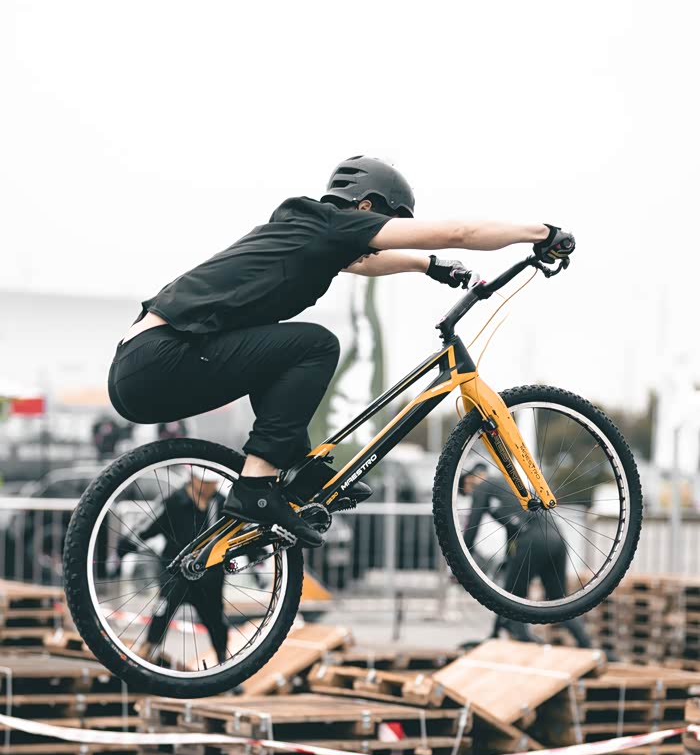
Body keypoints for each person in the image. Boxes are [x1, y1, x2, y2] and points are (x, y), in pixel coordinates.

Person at [108, 155, 574, 548]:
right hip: (161, 358)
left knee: (278, 357)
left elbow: (364, 262)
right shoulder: (328, 224)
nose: (384, 233)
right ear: (365, 208)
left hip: (145, 365)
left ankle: (296, 474)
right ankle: (255, 487)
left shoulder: (309, 231)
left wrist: (428, 265)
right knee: (315, 345)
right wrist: (541, 232)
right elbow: (461, 231)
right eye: (387, 224)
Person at [459, 464, 592, 647]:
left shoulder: (482, 486)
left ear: (468, 480)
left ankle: (522, 642)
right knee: (558, 601)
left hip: (532, 539)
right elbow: (513, 527)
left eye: (465, 492)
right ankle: (587, 645)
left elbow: (472, 528)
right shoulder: (504, 482)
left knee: (513, 599)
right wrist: (509, 557)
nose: (470, 495)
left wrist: (460, 558)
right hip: (556, 537)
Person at [114, 468, 230, 664]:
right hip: (175, 573)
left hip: (210, 576)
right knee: (161, 614)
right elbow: (145, 527)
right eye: (206, 482)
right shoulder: (173, 502)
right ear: (192, 478)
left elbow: (239, 533)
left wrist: (257, 560)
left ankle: (224, 664)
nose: (210, 487)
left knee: (217, 622)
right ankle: (147, 658)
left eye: (213, 483)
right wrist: (123, 549)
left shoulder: (221, 503)